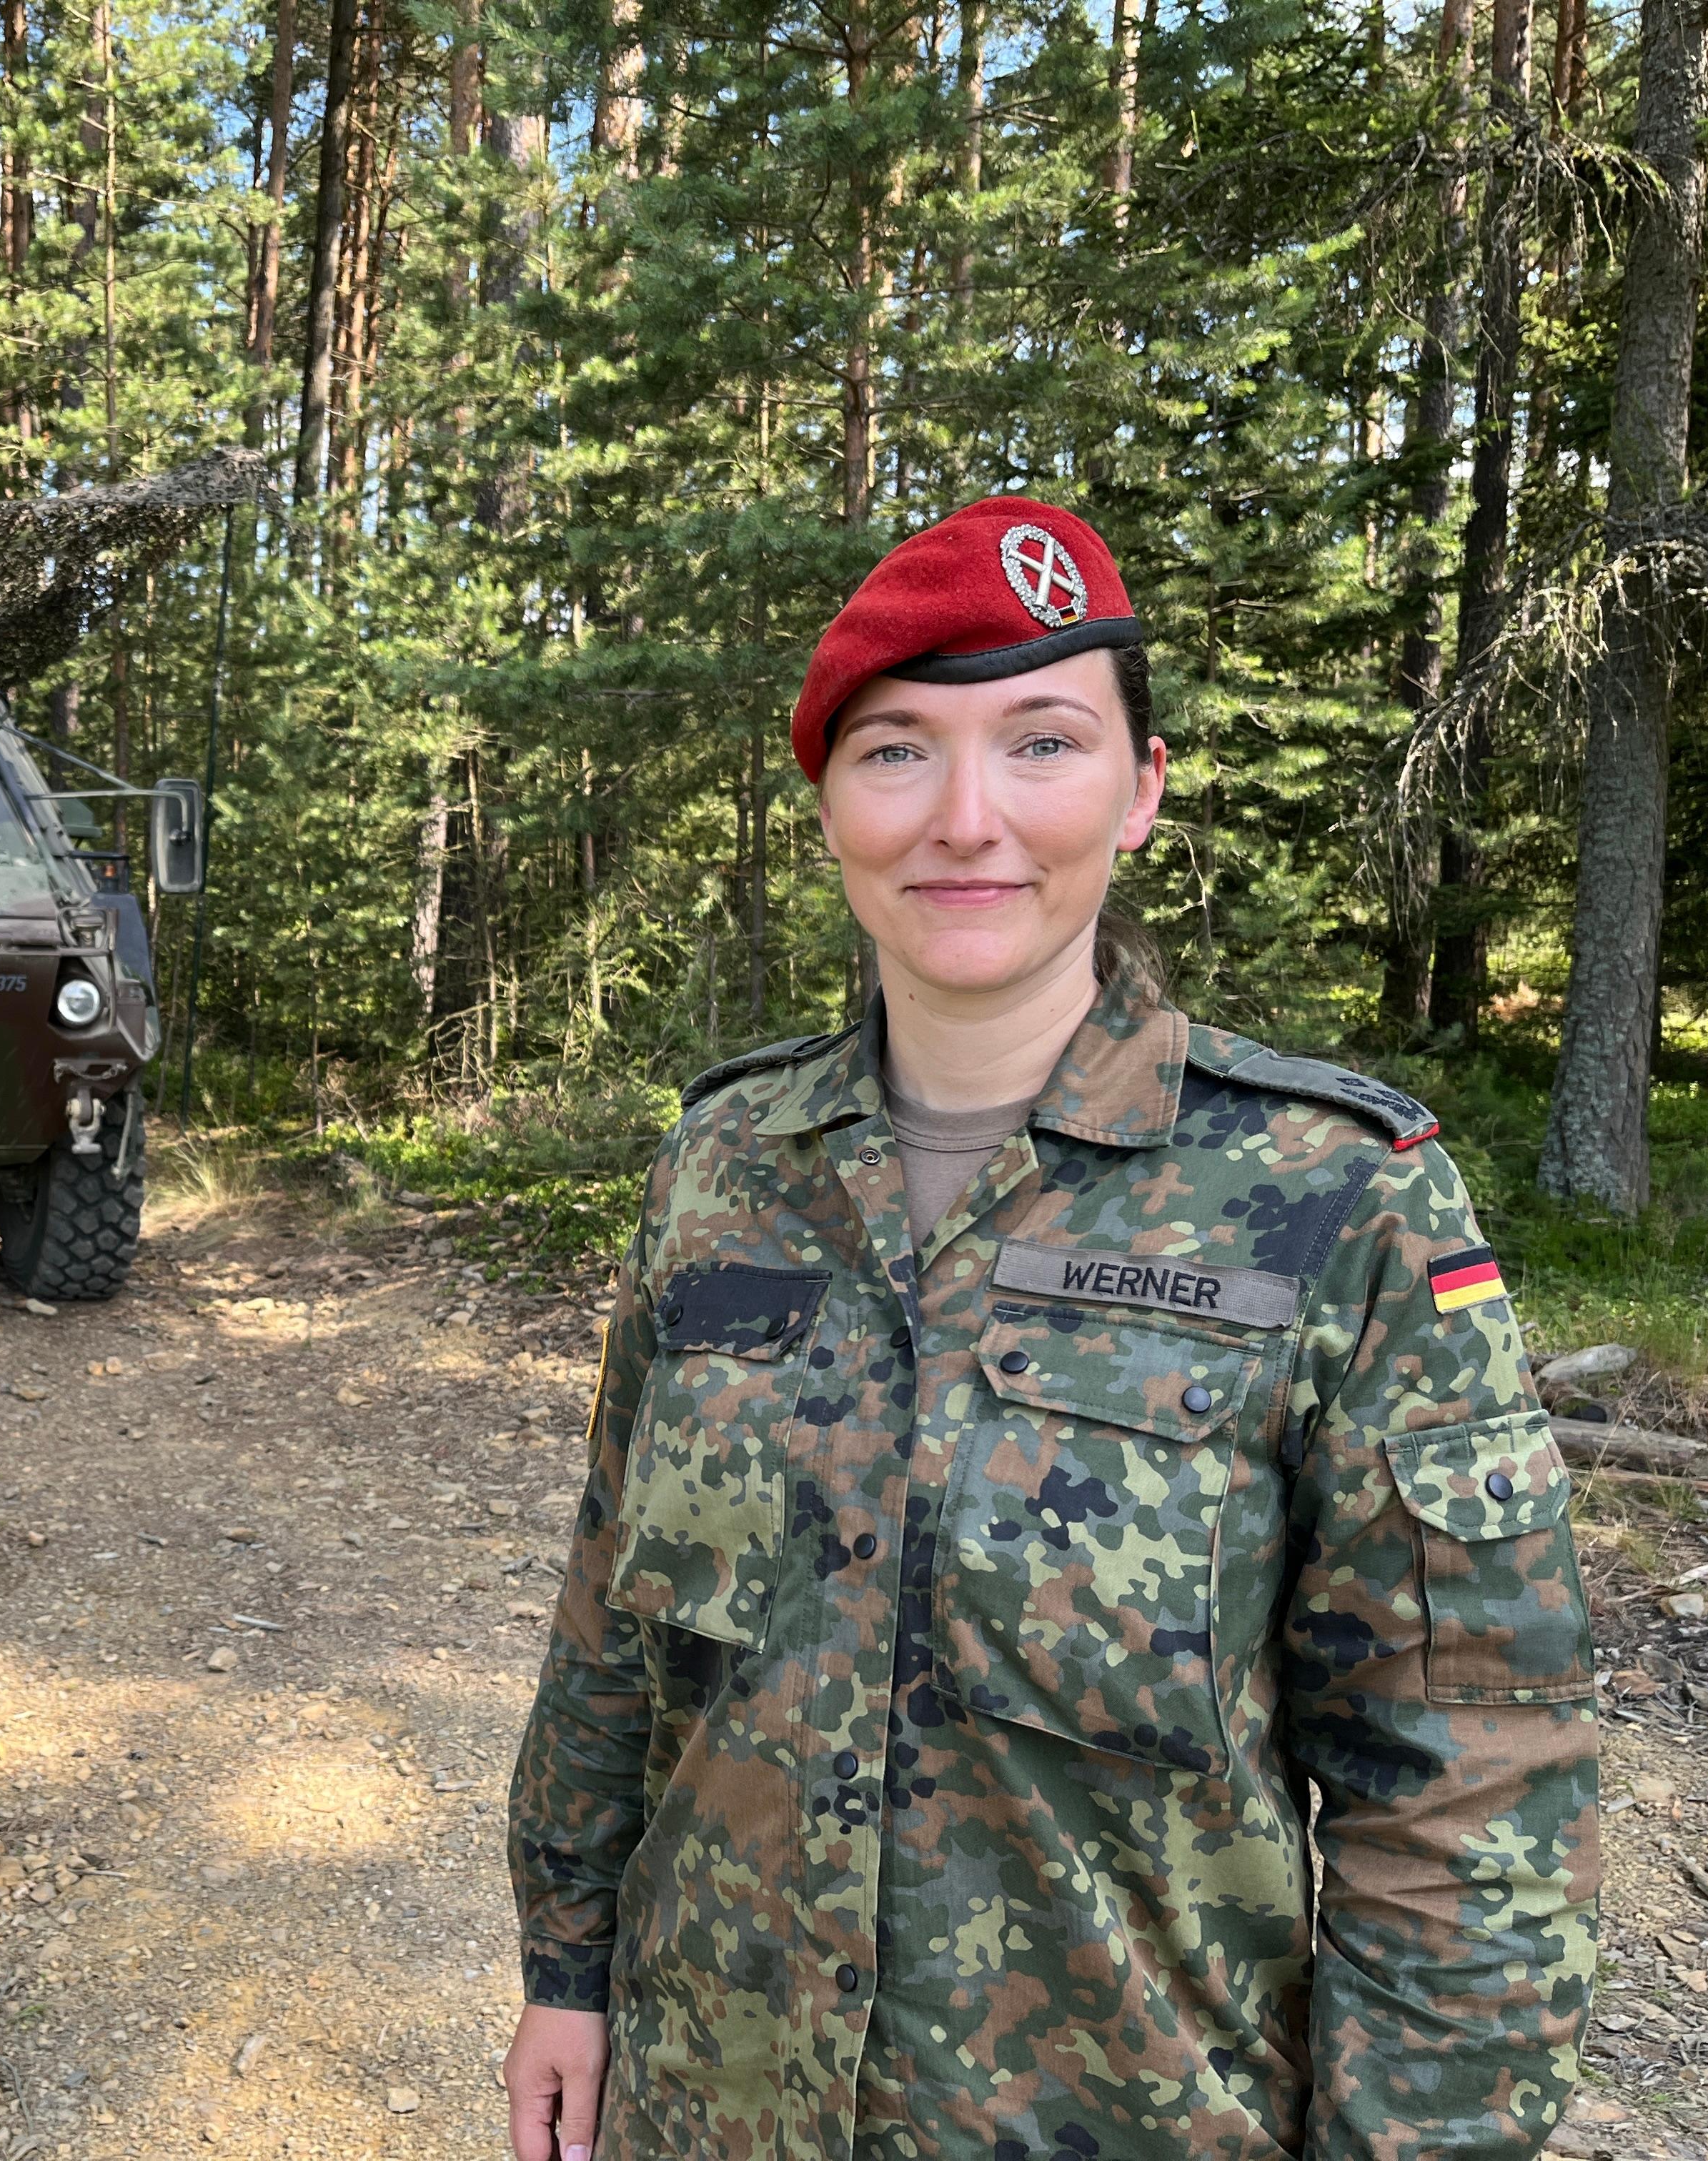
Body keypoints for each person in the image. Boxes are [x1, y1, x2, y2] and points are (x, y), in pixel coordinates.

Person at [502, 497, 1599, 2161]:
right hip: (712, 2098)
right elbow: (616, 1625)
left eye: (1042, 742)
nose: (964, 820)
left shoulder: (1334, 1201)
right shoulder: (724, 1165)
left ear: (1140, 791)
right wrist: (566, 1969)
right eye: (895, 754)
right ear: (826, 808)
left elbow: (1467, 1779)